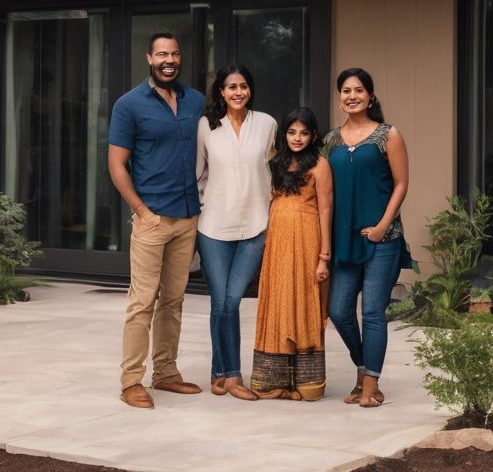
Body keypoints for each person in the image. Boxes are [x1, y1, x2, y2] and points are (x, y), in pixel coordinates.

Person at [108, 32, 206, 409]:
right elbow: (117, 165)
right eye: (162, 53)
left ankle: (165, 372)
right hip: (152, 218)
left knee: (174, 301)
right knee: (142, 302)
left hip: (187, 217)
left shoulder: (195, 100)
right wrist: (142, 212)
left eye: (175, 53)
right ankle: (131, 380)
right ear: (149, 57)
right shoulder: (129, 105)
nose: (170, 59)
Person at [323, 67, 410, 409]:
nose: (352, 96)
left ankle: (370, 385)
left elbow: (401, 184)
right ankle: (363, 368)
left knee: (373, 312)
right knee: (340, 311)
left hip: (382, 240)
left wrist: (381, 226)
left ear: (370, 96)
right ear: (339, 97)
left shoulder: (388, 135)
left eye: (359, 90)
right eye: (346, 90)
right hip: (343, 240)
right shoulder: (330, 140)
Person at [195, 64, 276, 401]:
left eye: (243, 85)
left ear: (250, 90)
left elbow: (273, 168)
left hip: (256, 225)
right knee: (220, 302)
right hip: (214, 226)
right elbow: (199, 173)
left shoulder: (268, 124)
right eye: (231, 87)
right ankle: (227, 375)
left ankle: (227, 374)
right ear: (221, 92)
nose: (238, 92)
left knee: (231, 300)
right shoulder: (206, 127)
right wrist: (204, 205)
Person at [251, 107, 333, 401]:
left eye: (304, 132)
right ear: (284, 134)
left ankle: (306, 382)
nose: (297, 138)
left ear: (313, 135)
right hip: (278, 243)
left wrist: (324, 255)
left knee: (302, 301)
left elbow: (325, 208)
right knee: (278, 302)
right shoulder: (275, 164)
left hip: (307, 240)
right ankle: (276, 381)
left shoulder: (320, 165)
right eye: (292, 132)